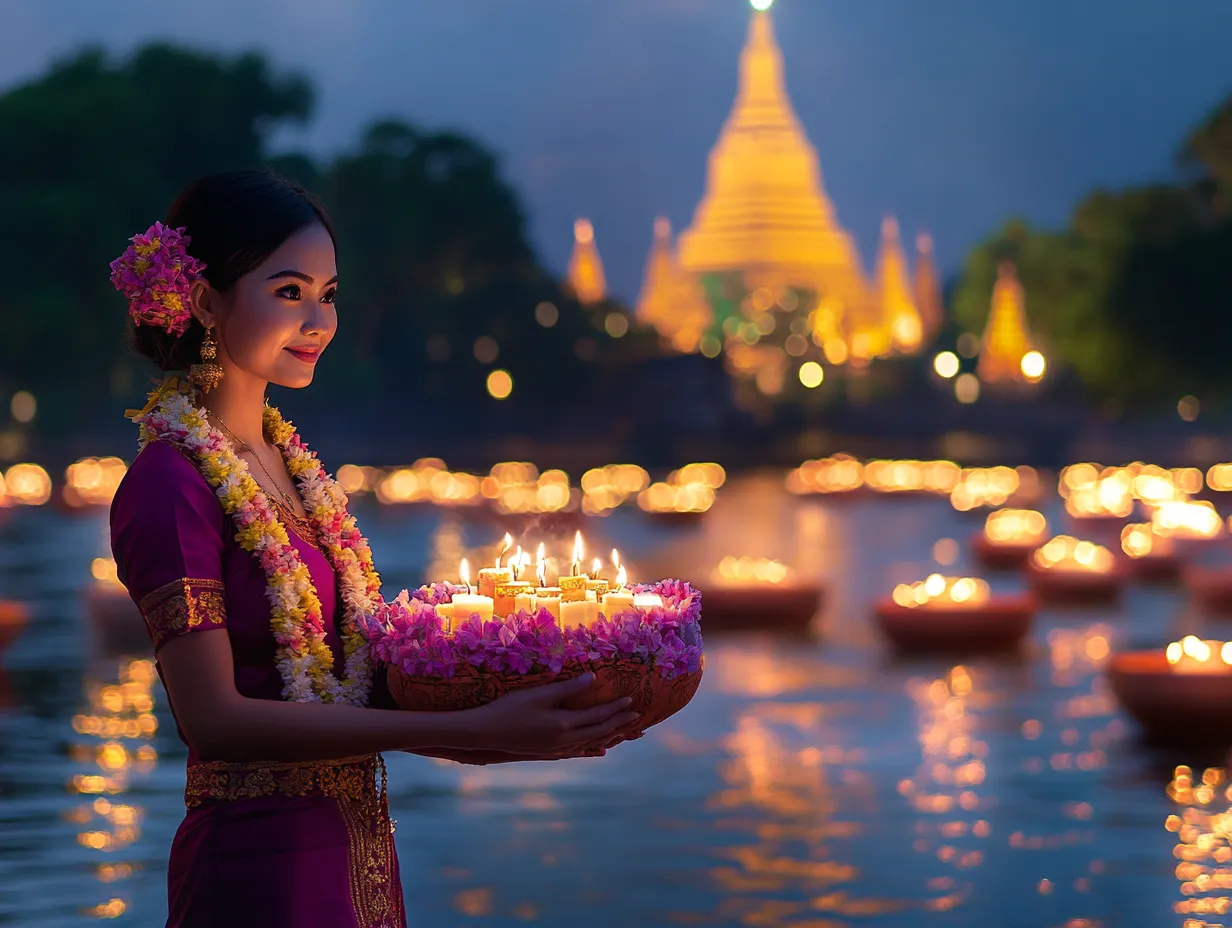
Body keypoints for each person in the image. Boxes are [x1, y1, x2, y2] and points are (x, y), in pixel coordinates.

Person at [108, 171, 639, 928]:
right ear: (203, 302)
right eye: (289, 291)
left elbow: (346, 687)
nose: (319, 319)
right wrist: (459, 731)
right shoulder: (171, 479)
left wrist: (510, 714)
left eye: (328, 293)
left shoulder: (290, 465)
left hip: (356, 853)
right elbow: (215, 719)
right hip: (256, 874)